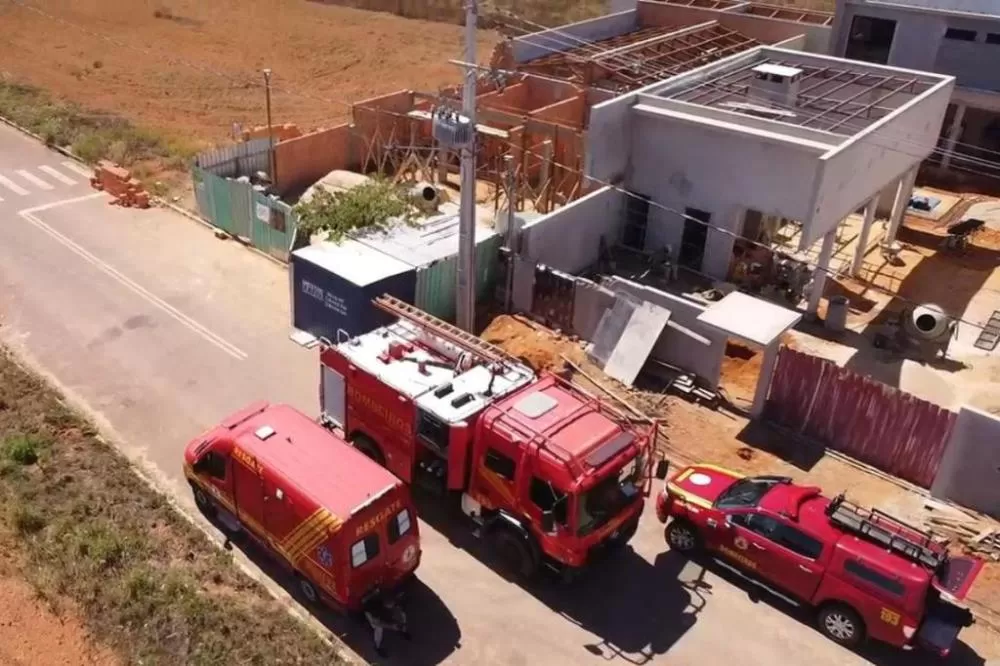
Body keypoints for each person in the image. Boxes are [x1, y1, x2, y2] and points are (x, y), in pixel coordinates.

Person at [363, 591, 410, 658]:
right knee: (378, 628)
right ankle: (377, 647)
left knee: (401, 614)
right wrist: (391, 626)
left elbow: (397, 606)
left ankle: (403, 630)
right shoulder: (375, 610)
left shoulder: (389, 602)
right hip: (370, 612)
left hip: (377, 603)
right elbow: (377, 623)